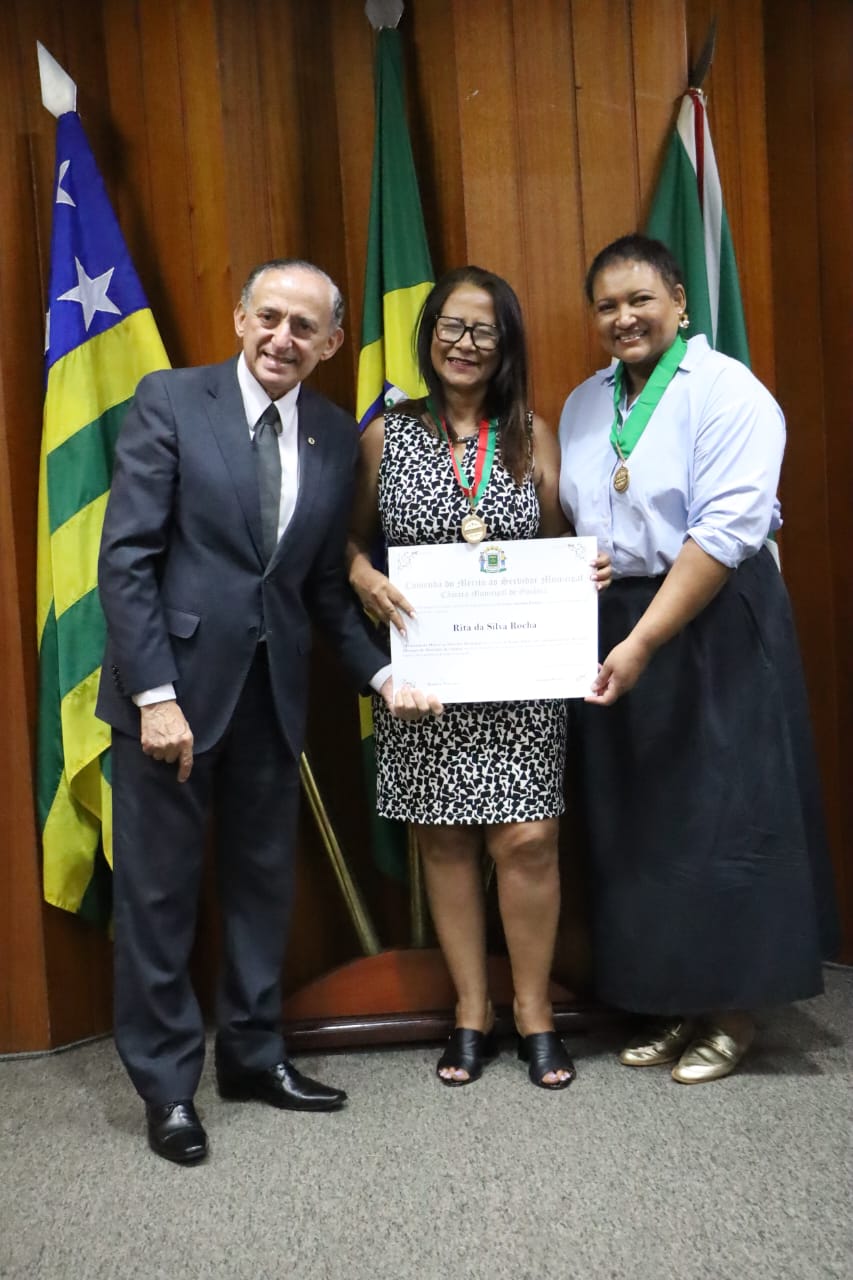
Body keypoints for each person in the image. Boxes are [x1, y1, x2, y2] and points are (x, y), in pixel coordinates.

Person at [97, 259, 440, 1164]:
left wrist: (380, 677)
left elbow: (322, 589)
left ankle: (252, 1057)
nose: (282, 338)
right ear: (240, 317)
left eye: (304, 327)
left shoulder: (330, 433)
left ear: (332, 343)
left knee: (261, 889)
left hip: (272, 700)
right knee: (158, 900)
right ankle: (168, 1088)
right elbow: (126, 559)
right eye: (270, 317)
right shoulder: (172, 400)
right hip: (169, 700)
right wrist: (154, 696)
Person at [558, 234, 839, 1084]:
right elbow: (586, 517)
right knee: (644, 817)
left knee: (723, 813)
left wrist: (645, 638)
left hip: (711, 616)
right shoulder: (582, 404)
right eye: (606, 305)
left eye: (639, 299)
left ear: (679, 303)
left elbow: (722, 531)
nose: (623, 318)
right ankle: (675, 997)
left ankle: (733, 1012)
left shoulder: (727, 390)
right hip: (618, 620)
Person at [347, 265, 611, 1090]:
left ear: (505, 345)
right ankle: (471, 1010)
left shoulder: (530, 433)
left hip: (519, 676)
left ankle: (533, 1011)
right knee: (444, 838)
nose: (464, 344)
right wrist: (362, 574)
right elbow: (344, 542)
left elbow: (560, 541)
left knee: (528, 838)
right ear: (429, 335)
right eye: (451, 327)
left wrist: (585, 571)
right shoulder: (386, 434)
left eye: (483, 331)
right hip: (426, 679)